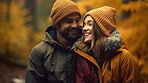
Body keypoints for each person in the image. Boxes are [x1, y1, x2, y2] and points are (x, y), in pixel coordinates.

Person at [74, 6, 140, 83]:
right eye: (84, 24)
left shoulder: (125, 59)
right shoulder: (83, 57)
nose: (84, 28)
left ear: (103, 28)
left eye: (89, 24)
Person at [25, 0, 82, 83]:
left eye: (77, 20)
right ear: (57, 24)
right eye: (69, 21)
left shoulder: (86, 47)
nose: (75, 25)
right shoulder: (40, 52)